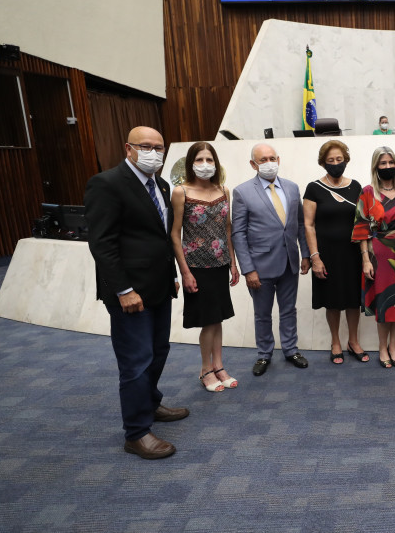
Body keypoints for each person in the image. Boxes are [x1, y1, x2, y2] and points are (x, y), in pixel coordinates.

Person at [84, 126, 188, 460]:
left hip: (158, 285)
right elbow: (103, 244)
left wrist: (171, 274)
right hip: (129, 293)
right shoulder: (106, 183)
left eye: (159, 147)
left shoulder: (160, 184)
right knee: (136, 360)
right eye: (147, 146)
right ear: (129, 148)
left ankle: (151, 403)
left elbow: (160, 237)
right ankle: (136, 432)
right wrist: (124, 290)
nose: (154, 153)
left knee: (158, 350)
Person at [231, 143, 311, 376]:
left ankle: (290, 349)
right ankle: (264, 354)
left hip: (290, 262)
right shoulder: (242, 191)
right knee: (262, 313)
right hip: (260, 265)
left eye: (271, 158)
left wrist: (305, 253)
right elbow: (238, 233)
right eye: (262, 160)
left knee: (288, 310)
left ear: (279, 159)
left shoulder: (293, 188)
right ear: (253, 164)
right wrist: (248, 269)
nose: (268, 163)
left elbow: (299, 225)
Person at [170, 142, 240, 392]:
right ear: (190, 163)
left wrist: (233, 262)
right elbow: (175, 234)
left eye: (210, 160)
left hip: (220, 263)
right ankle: (205, 369)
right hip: (196, 266)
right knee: (208, 319)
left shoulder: (224, 190)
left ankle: (219, 365)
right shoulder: (181, 192)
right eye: (199, 160)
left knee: (218, 317)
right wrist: (184, 271)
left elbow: (228, 228)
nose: (205, 165)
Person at [352, 146, 395, 368]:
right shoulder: (367, 192)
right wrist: (365, 259)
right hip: (377, 252)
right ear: (376, 166)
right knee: (384, 302)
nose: (388, 167)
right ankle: (382, 347)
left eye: (391, 163)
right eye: (383, 163)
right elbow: (361, 228)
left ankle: (393, 346)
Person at [303, 140, 368, 364]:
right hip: (326, 254)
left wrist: (365, 255)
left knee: (352, 299)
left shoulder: (356, 186)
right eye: (330, 160)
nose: (335, 163)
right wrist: (315, 257)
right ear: (323, 163)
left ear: (346, 160)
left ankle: (353, 341)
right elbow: (309, 225)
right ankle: (335, 342)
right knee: (332, 301)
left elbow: (362, 222)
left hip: (352, 253)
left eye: (339, 159)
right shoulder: (313, 188)